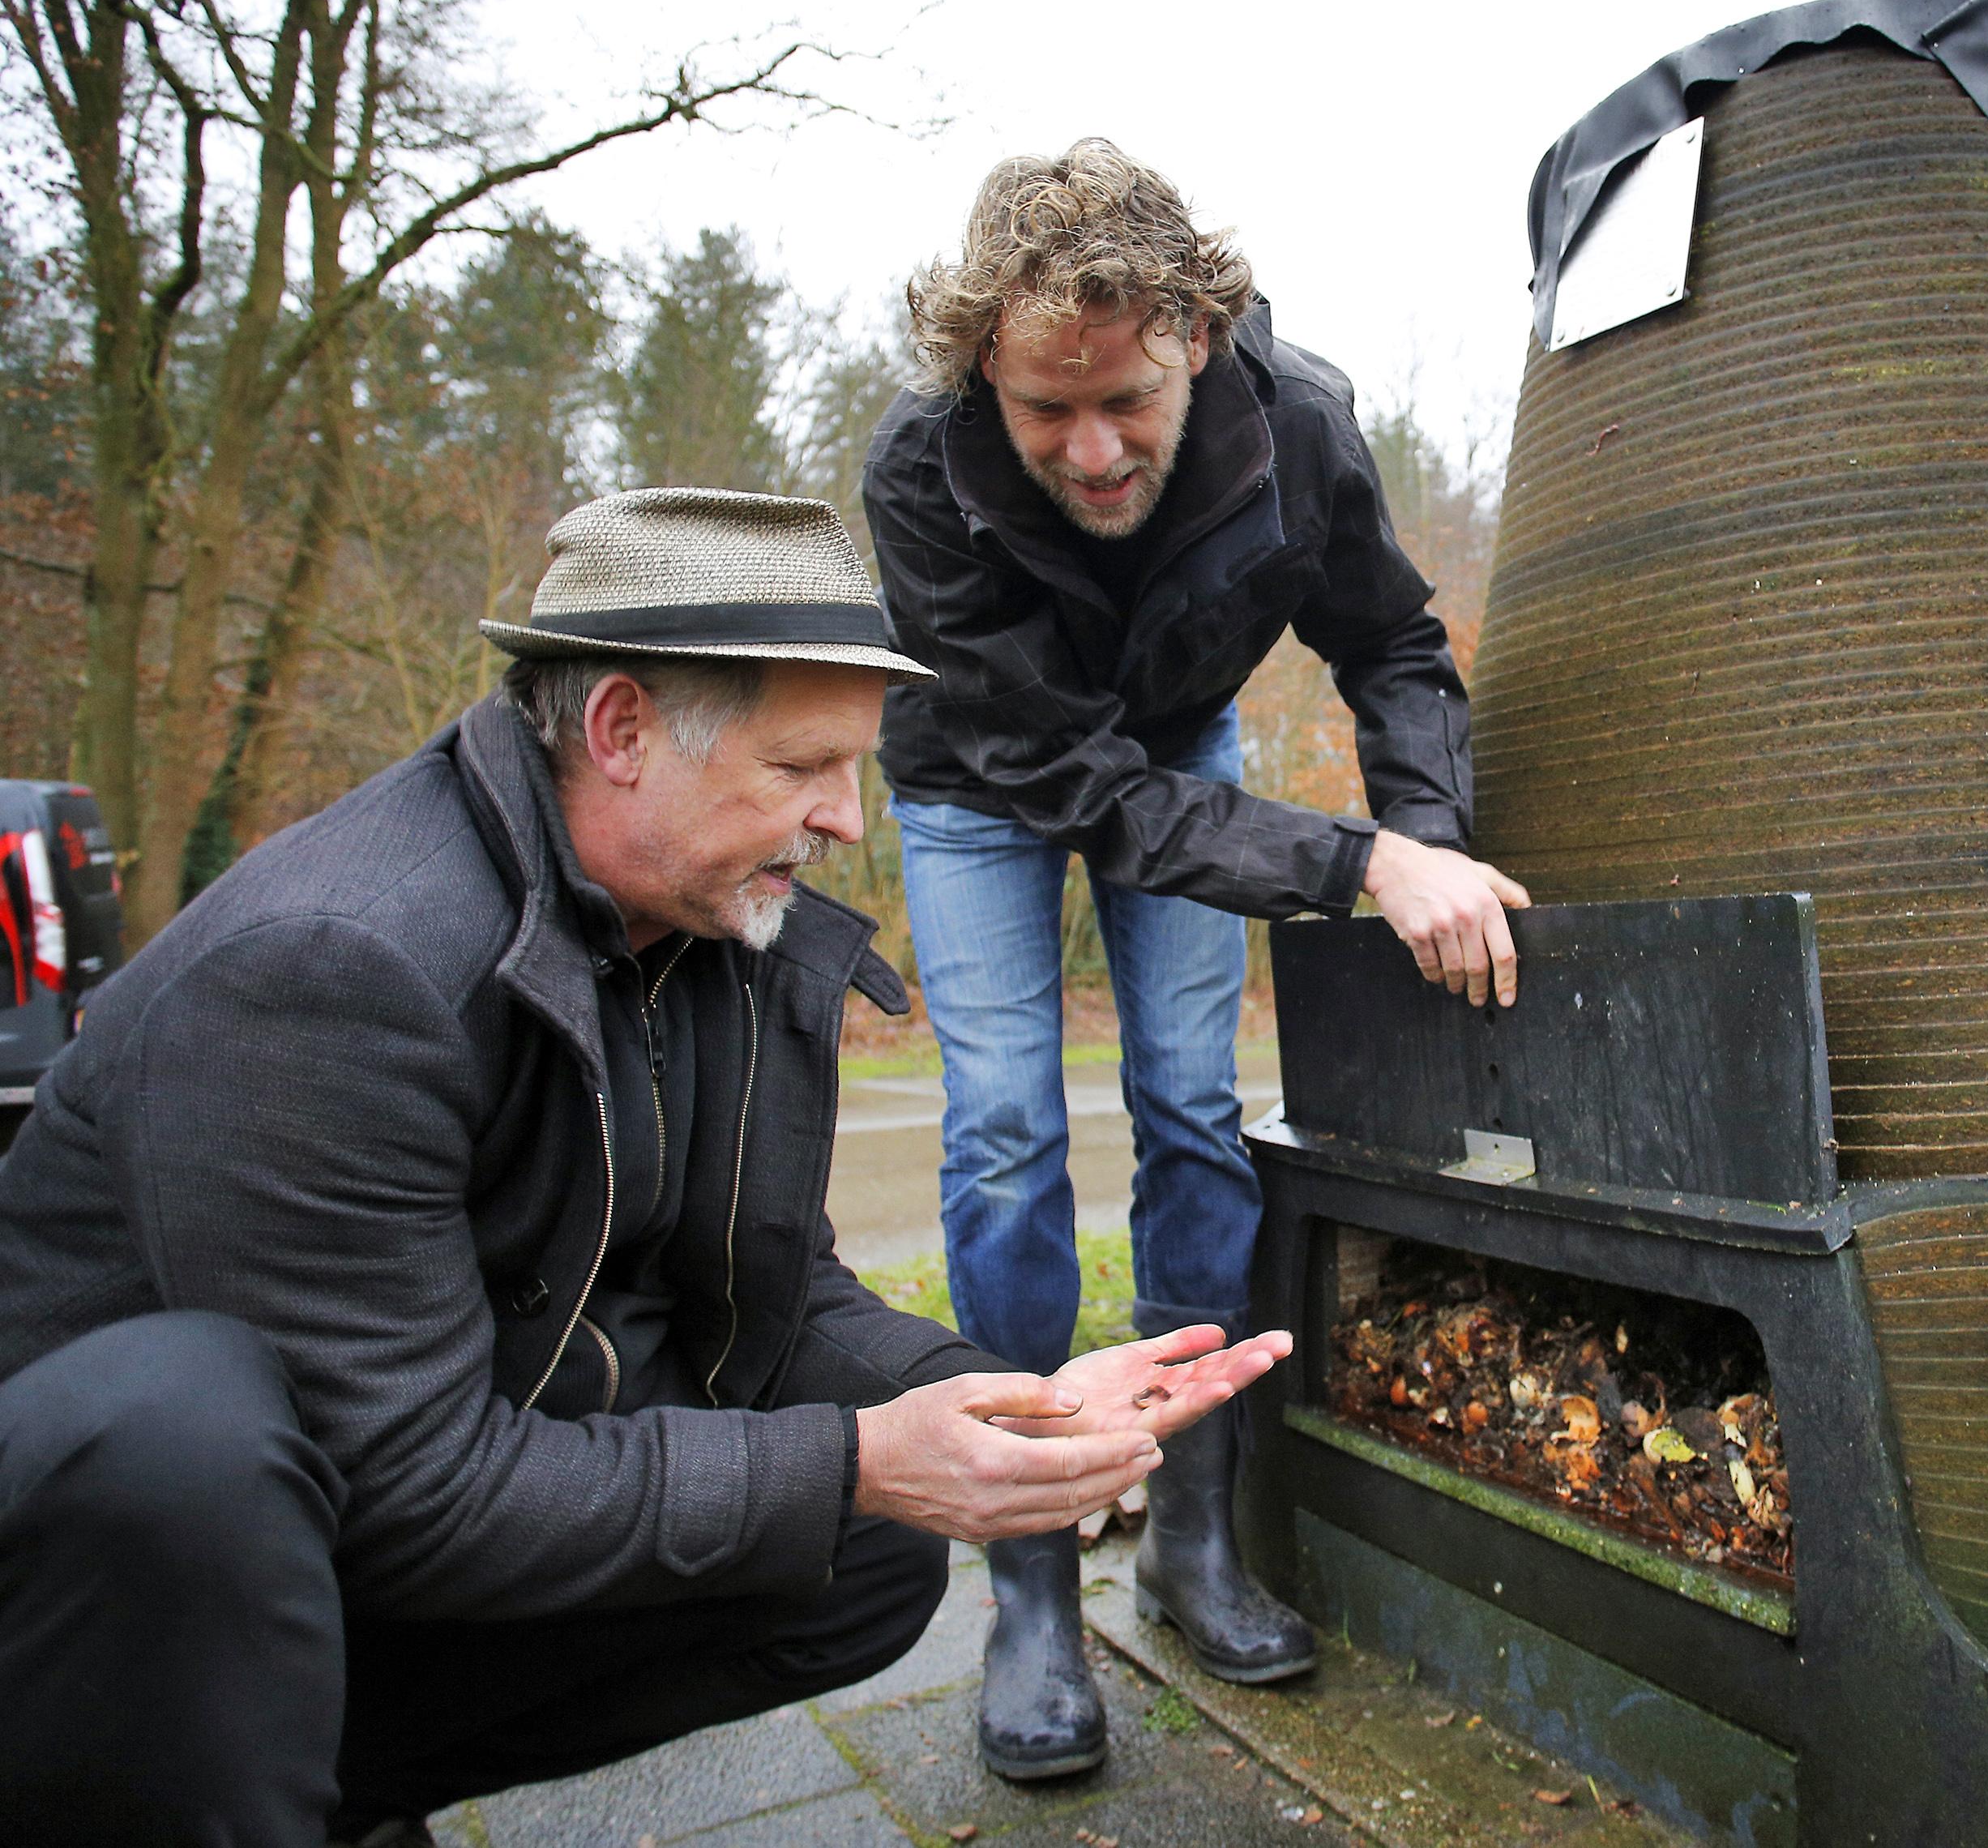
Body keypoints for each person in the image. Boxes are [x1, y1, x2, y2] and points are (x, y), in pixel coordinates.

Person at [0, 487, 1289, 1848]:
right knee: (181, 1435)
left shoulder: (695, 917)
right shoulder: (329, 969)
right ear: (620, 731)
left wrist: (990, 1408)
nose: (846, 821)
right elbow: (406, 1485)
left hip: (342, 1521)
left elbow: (771, 1298)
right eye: (800, 768)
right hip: (95, 1587)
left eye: (854, 769)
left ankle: (333, 1785)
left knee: (861, 1553)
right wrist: (855, 1457)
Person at [864, 139, 1529, 1777]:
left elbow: (1388, 638)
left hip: (1185, 742)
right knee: (1010, 1128)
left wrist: (1424, 838)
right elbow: (1074, 781)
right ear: (981, 374)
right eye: (1044, 412)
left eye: (1129, 404)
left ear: (1197, 340)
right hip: (981, 779)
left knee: (1187, 1113)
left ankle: (1191, 1531)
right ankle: (1030, 1576)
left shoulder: (1297, 423)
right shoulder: (915, 471)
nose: (1091, 451)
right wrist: (1351, 859)